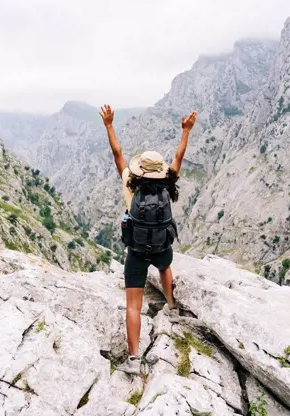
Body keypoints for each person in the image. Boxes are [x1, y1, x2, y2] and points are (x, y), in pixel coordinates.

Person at [99, 104, 197, 375]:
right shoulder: (168, 181)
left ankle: (133, 359)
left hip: (137, 250)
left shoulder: (130, 181)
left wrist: (109, 125)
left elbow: (117, 153)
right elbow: (180, 155)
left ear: (140, 170)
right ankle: (172, 305)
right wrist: (186, 131)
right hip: (162, 246)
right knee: (165, 267)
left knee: (133, 305)